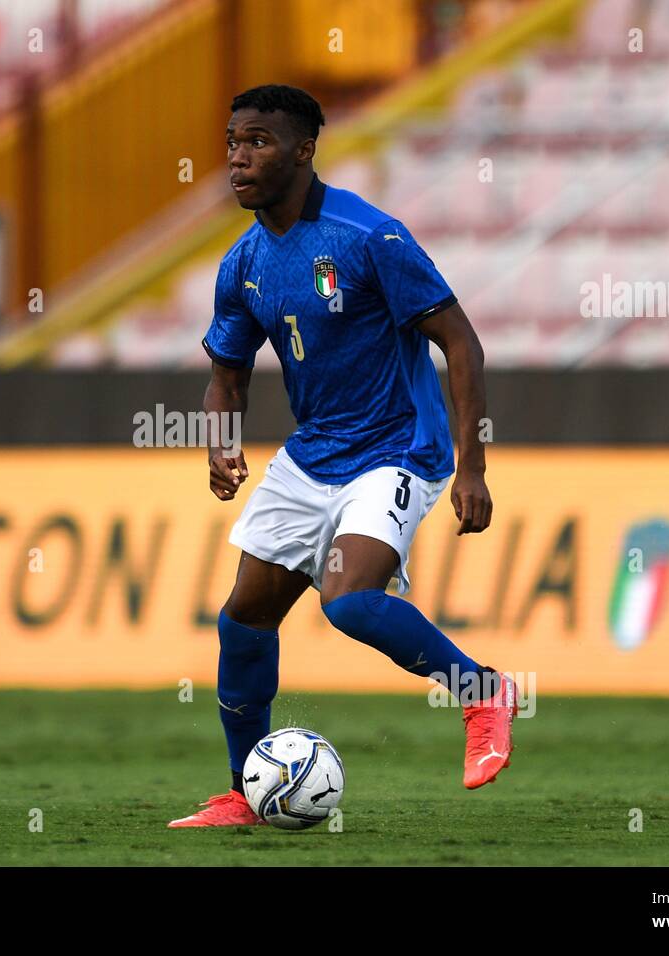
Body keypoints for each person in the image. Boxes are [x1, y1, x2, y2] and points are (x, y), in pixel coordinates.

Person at [169, 85, 517, 828]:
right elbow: (225, 377)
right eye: (232, 140)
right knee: (242, 623)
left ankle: (482, 692)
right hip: (312, 455)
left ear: (304, 150)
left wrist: (472, 466)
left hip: (398, 448)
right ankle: (246, 793)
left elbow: (460, 341)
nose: (238, 156)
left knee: (350, 602)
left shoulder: (369, 238)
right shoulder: (244, 263)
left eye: (258, 141)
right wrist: (221, 442)